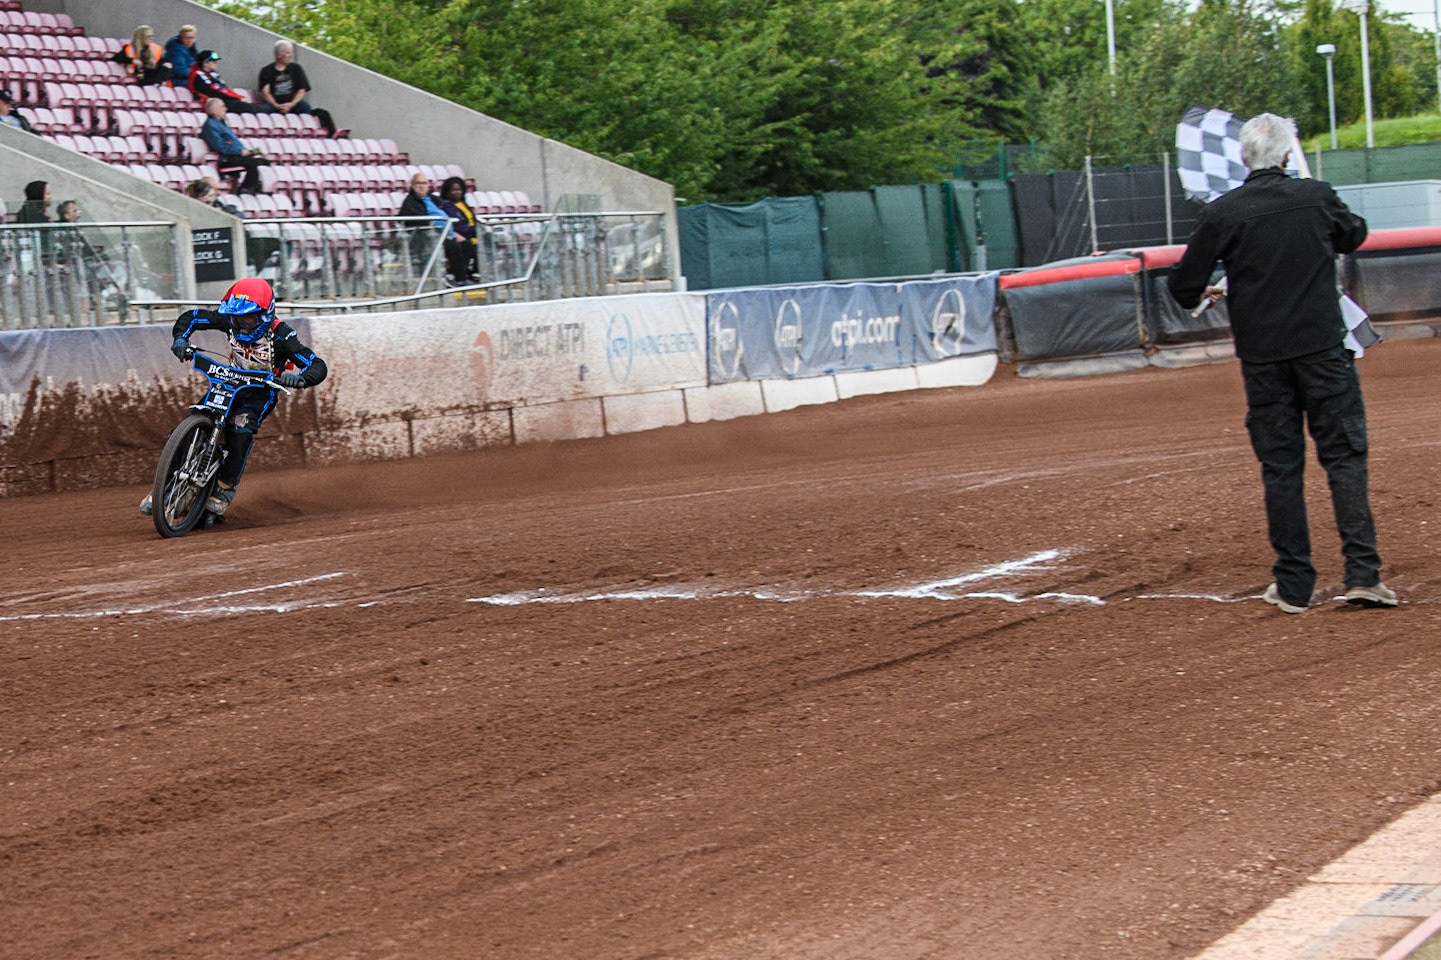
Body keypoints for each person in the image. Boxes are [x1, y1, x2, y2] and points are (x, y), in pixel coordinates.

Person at [1168, 112, 1396, 614]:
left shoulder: (1225, 213)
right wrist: (1320, 199)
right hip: (1322, 352)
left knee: (1281, 466)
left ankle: (1294, 585)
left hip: (1263, 360)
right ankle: (1362, 574)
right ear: (1288, 156)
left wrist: (1211, 286)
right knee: (1343, 457)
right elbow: (1353, 235)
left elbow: (1183, 286)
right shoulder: (1316, 197)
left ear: (1244, 159)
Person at [139, 278, 326, 518]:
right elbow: (192, 317)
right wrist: (181, 339)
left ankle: (225, 488)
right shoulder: (228, 321)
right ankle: (164, 485)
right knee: (189, 423)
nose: (240, 326)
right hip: (227, 380)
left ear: (265, 314)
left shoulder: (282, 335)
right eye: (236, 320)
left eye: (248, 319)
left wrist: (300, 379)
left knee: (241, 430)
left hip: (260, 389)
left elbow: (316, 364)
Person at [255, 40, 336, 135]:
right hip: (274, 105)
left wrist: (291, 104)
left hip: (293, 104)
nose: (290, 56)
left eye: (290, 53)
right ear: (278, 55)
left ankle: (308, 133)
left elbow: (302, 90)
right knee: (262, 111)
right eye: (287, 53)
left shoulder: (296, 69)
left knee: (304, 107)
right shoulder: (266, 71)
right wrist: (276, 105)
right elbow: (265, 92)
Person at [200, 99, 269, 195]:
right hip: (226, 158)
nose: (225, 109)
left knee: (264, 161)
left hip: (236, 153)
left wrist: (246, 151)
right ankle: (246, 188)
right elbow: (220, 146)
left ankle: (256, 185)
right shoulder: (211, 125)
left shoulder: (221, 123)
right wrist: (240, 152)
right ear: (214, 110)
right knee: (252, 162)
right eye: (222, 106)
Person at [397, 171, 448, 278]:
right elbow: (417, 221)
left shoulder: (434, 199)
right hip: (422, 236)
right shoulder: (410, 201)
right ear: (412, 185)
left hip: (444, 232)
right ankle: (432, 277)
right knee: (448, 246)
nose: (421, 186)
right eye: (418, 183)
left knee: (466, 245)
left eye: (424, 183)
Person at [187, 50, 260, 113]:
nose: (216, 63)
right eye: (214, 61)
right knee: (245, 106)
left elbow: (225, 89)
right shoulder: (197, 76)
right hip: (212, 103)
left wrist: (238, 98)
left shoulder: (213, 75)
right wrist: (237, 98)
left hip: (224, 100)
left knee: (253, 106)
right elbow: (213, 92)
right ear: (205, 62)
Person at [438, 175, 479, 284]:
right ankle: (463, 275)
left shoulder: (463, 204)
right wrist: (476, 231)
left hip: (472, 235)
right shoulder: (447, 206)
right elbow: (459, 227)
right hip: (461, 237)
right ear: (447, 191)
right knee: (468, 246)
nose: (457, 192)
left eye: (460, 190)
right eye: (454, 190)